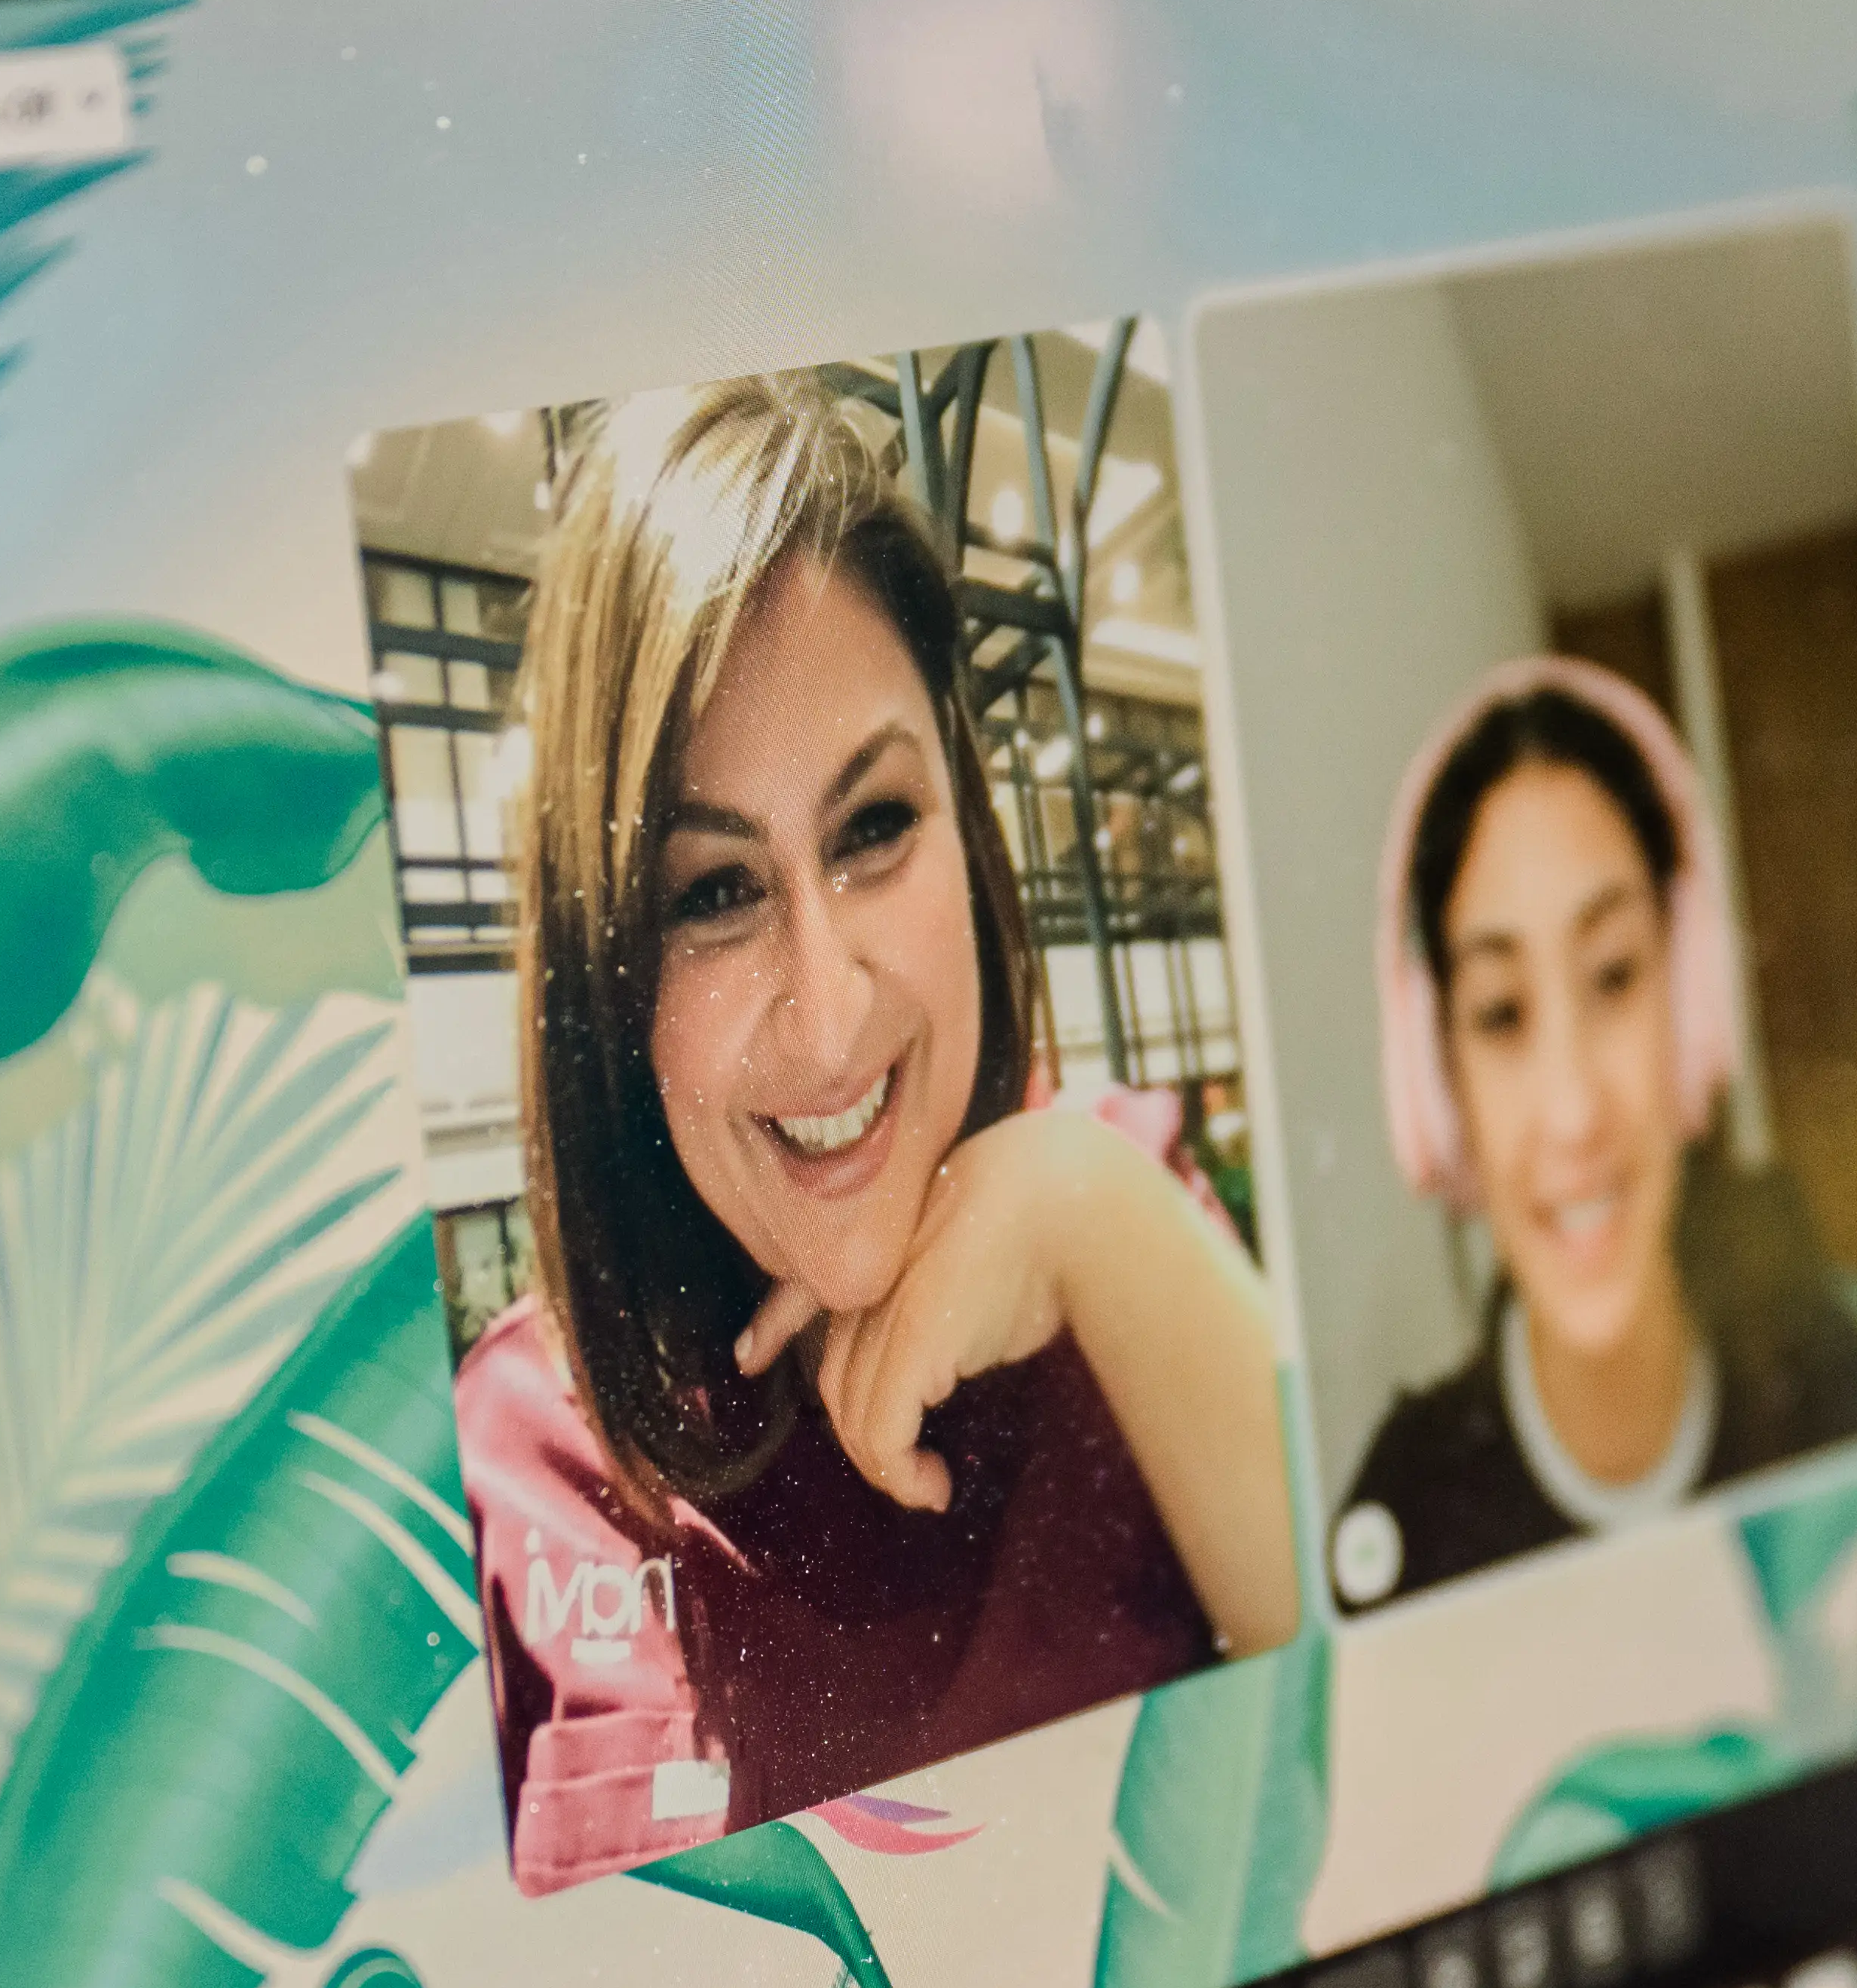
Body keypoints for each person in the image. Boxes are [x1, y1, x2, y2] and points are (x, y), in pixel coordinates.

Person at [458, 374, 1299, 1895]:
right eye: (713, 893)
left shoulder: (1126, 1220)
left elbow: (1417, 1743)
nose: (831, 1010)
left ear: (965, 832)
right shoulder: (506, 1456)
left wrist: (1087, 1220)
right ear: (604, 966)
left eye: (872, 828)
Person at [1329, 657, 1857, 1610]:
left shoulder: (1838, 1388)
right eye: (1502, 1014)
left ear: (1690, 1004)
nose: (1573, 1111)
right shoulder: (1405, 1526)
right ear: (1440, 1085)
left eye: (1615, 976)